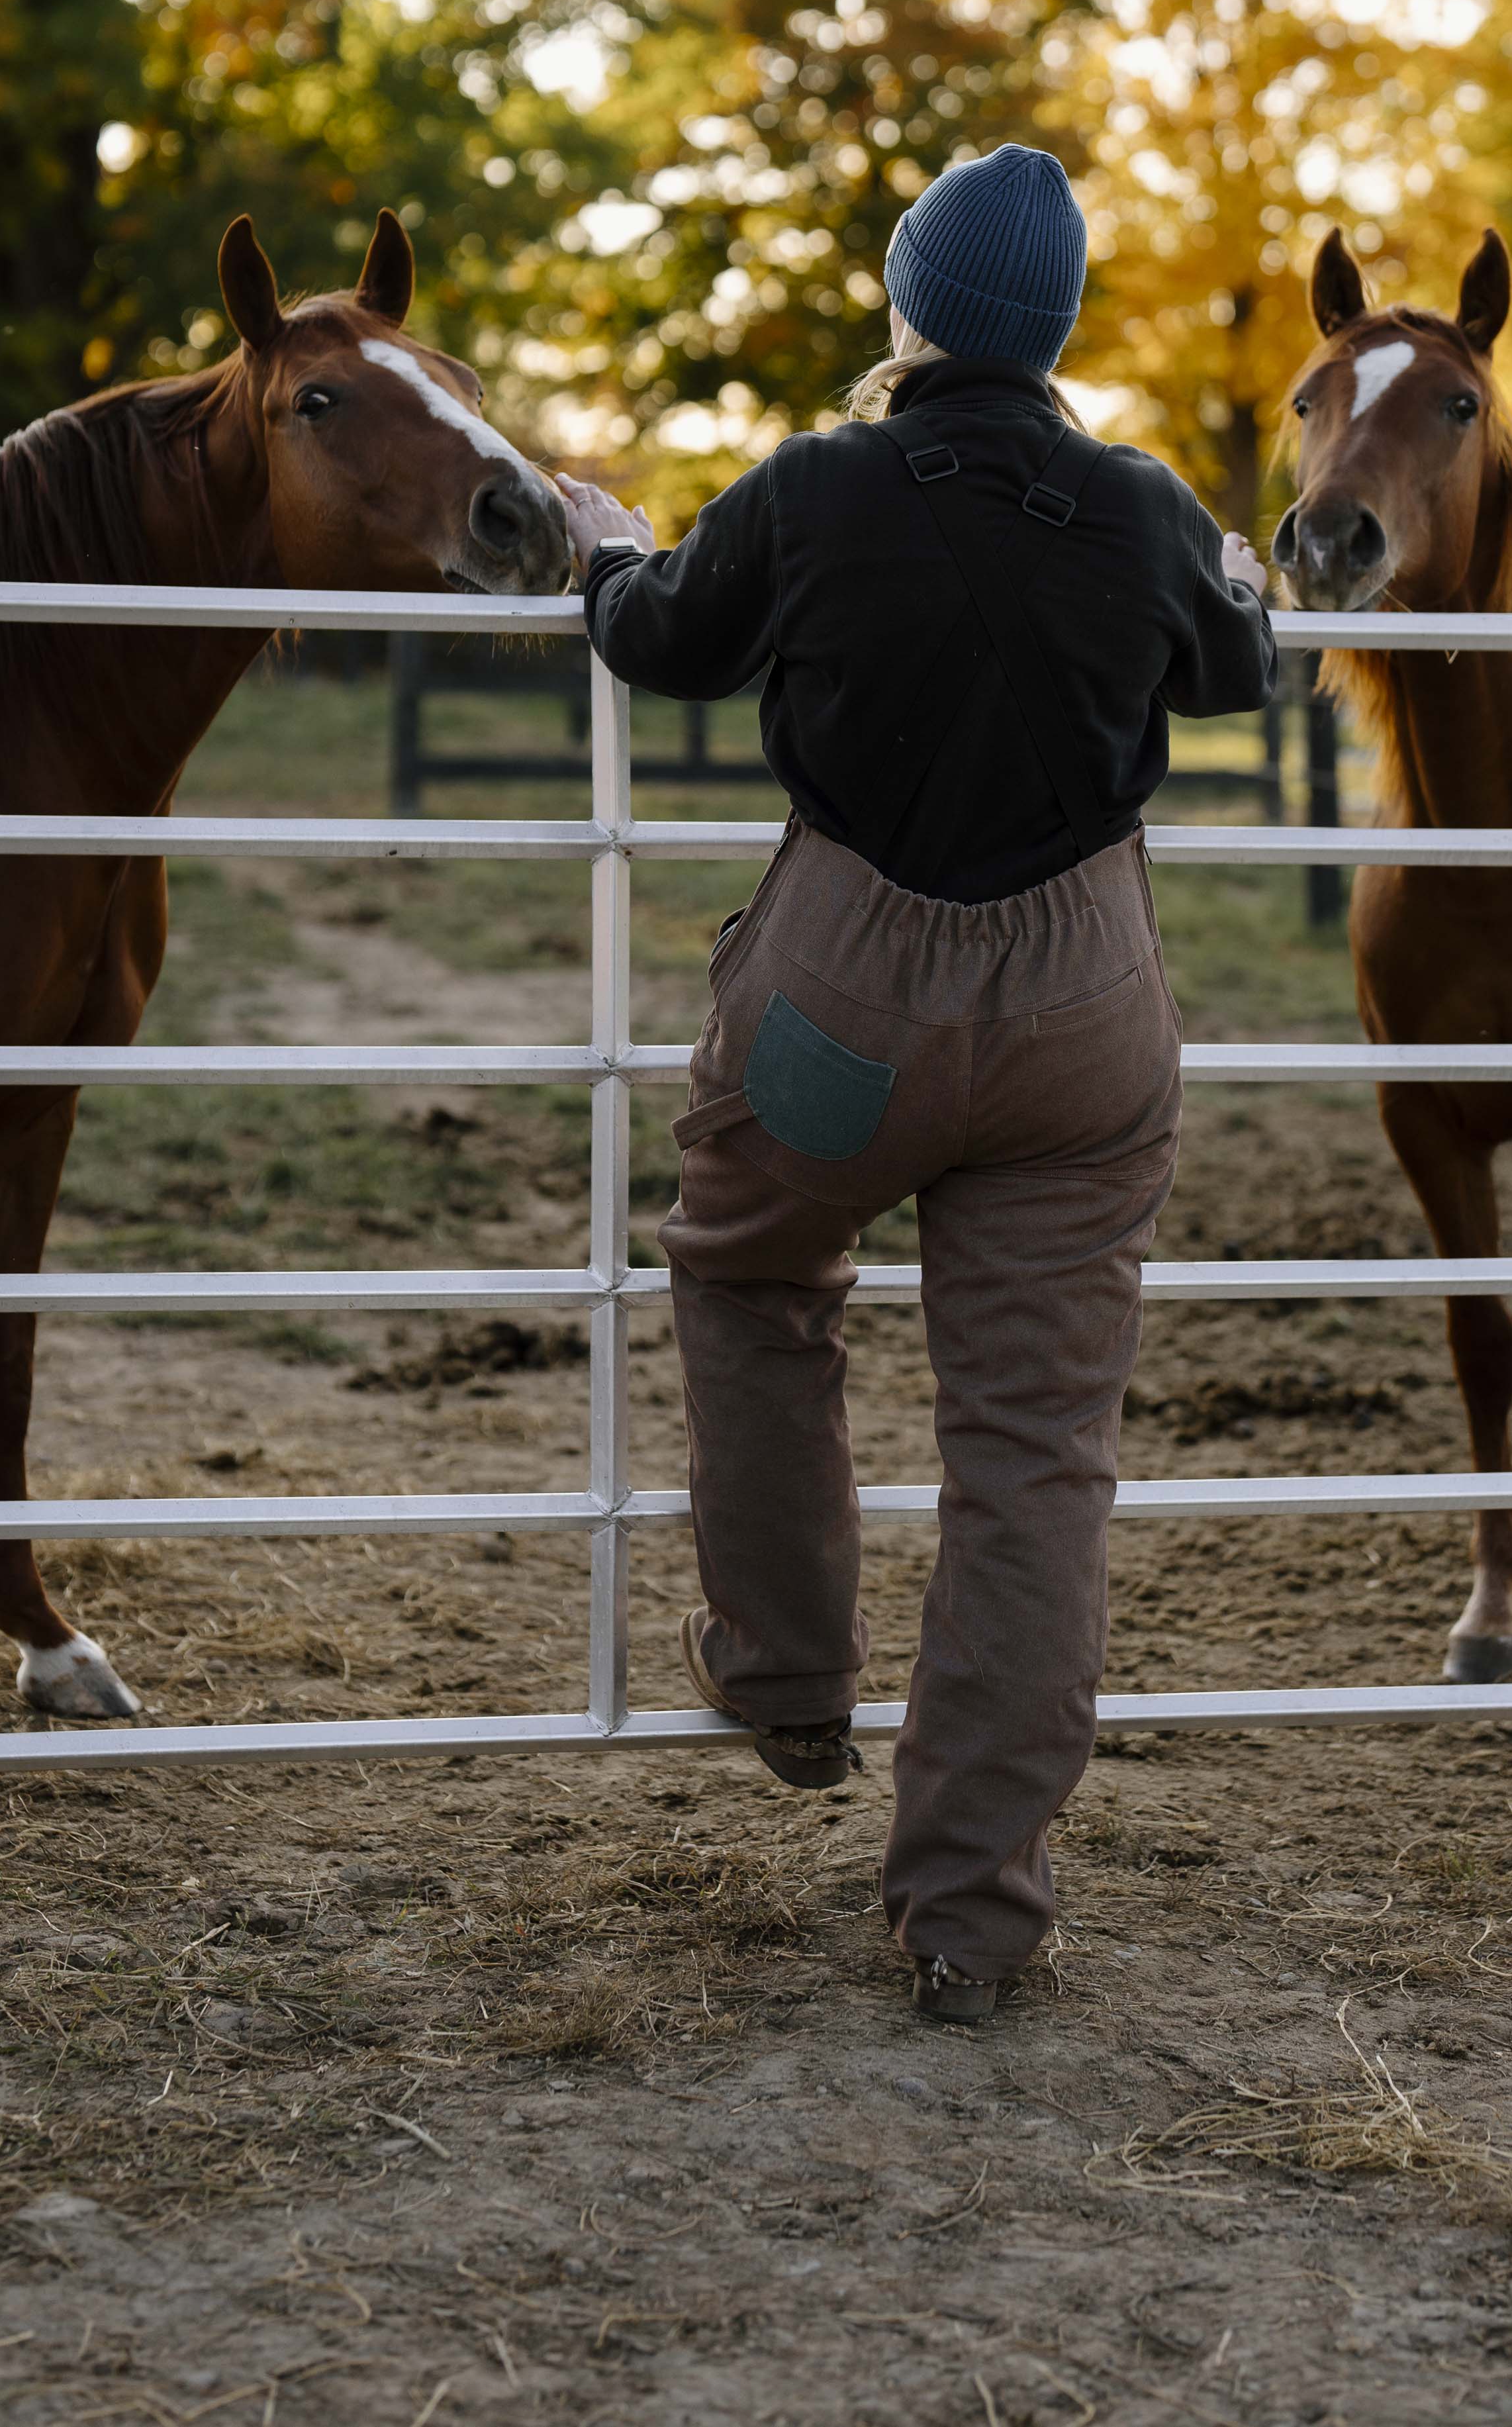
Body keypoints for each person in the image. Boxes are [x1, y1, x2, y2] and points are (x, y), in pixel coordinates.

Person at [553, 142, 1276, 2024]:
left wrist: (607, 548)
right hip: (1084, 1015)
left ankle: (788, 1675)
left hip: (844, 998)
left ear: (909, 304)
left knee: (749, 1273)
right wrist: (1236, 576)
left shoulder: (817, 486)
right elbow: (1240, 669)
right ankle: (971, 1915)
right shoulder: (1139, 506)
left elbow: (656, 635)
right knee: (1035, 1454)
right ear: (1056, 333)